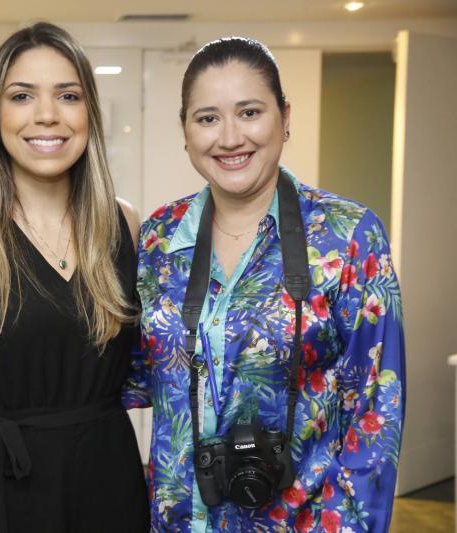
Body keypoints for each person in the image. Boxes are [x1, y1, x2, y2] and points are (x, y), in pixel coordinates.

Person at [125, 37, 404, 532]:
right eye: (207, 118)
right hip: (176, 521)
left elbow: (376, 408)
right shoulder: (158, 237)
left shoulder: (347, 236)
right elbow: (129, 377)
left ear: (284, 116)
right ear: (185, 131)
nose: (230, 137)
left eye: (249, 112)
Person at [0, 22, 149, 533]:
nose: (47, 115)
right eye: (22, 96)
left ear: (89, 113)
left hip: (107, 483)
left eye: (68, 96)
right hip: (0, 490)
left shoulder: (123, 223)